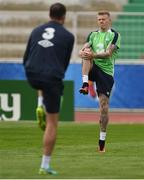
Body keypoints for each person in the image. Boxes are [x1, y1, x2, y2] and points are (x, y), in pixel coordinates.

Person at [23, 2, 74, 175]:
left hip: (31, 73)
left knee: (43, 75)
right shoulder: (68, 36)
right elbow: (63, 65)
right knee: (52, 123)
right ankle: (45, 166)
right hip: (51, 78)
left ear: (49, 14)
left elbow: (26, 57)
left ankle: (40, 103)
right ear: (64, 17)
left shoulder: (36, 31)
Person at [79, 11, 121, 152]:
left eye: (103, 19)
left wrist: (92, 54)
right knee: (86, 54)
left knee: (104, 107)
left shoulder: (115, 35)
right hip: (93, 66)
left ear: (109, 21)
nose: (101, 21)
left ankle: (102, 140)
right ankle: (85, 84)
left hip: (106, 72)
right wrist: (81, 51)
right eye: (99, 19)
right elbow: (84, 46)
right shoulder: (93, 35)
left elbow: (108, 53)